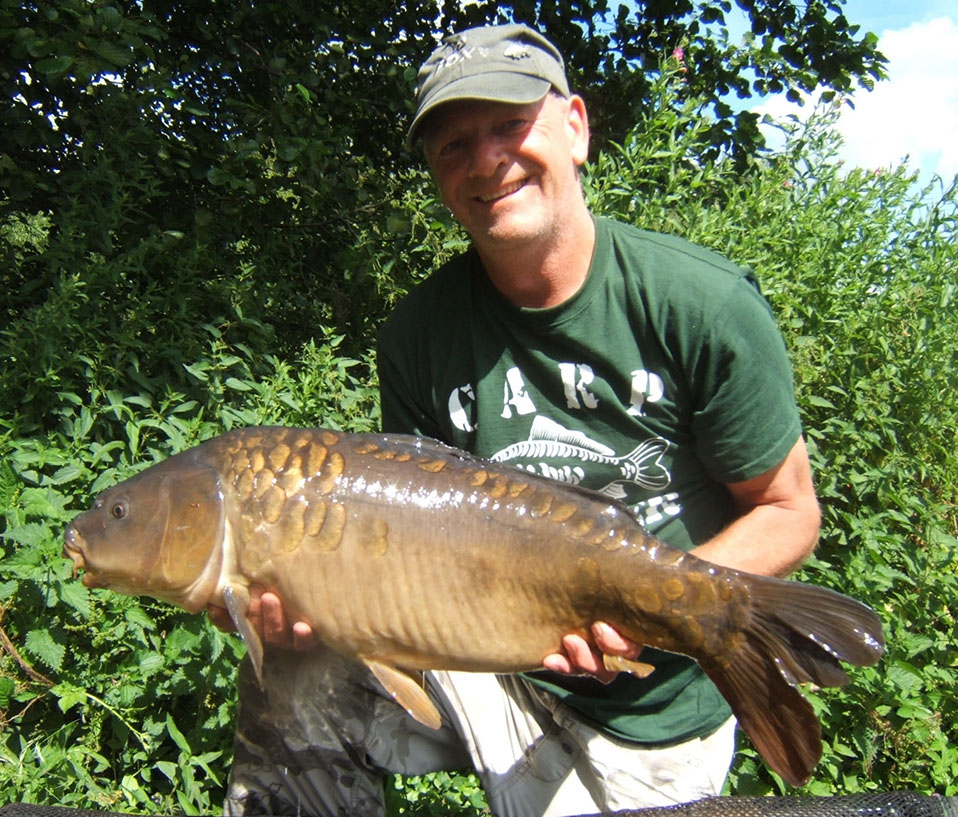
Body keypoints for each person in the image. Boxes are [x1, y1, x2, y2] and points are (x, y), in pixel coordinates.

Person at [215, 22, 821, 817]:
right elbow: (408, 548)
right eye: (455, 144)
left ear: (574, 127)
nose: (486, 160)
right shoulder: (416, 336)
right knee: (291, 668)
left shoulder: (698, 305)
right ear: (437, 174)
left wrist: (650, 613)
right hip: (486, 662)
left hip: (646, 714)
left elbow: (789, 508)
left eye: (509, 124)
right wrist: (311, 603)